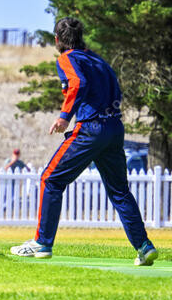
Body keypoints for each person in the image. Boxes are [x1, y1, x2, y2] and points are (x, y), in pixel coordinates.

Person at [11, 17, 158, 266]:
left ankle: (42, 243)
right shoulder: (100, 61)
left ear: (57, 40)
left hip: (91, 129)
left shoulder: (67, 58)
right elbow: (116, 90)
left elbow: (78, 82)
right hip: (114, 128)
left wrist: (64, 116)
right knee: (120, 191)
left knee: (50, 179)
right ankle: (144, 246)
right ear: (81, 37)